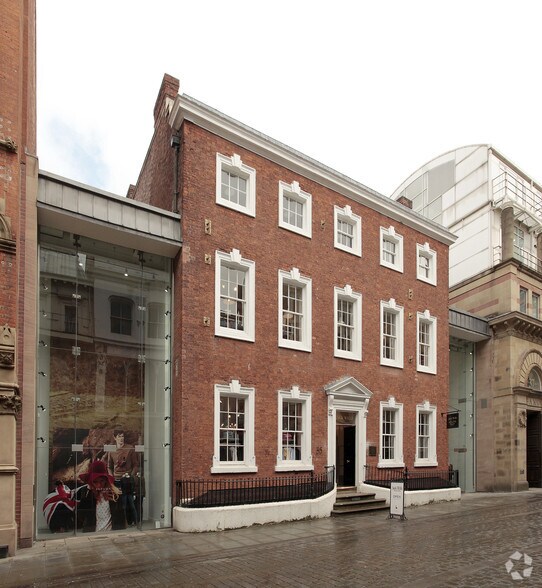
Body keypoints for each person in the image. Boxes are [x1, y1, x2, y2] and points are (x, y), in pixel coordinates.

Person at [77, 459, 126, 532]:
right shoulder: (88, 494)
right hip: (92, 533)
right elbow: (81, 515)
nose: (99, 485)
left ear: (106, 480)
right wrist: (88, 494)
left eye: (102, 481)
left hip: (112, 533)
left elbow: (121, 518)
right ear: (91, 482)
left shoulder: (114, 494)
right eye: (95, 482)